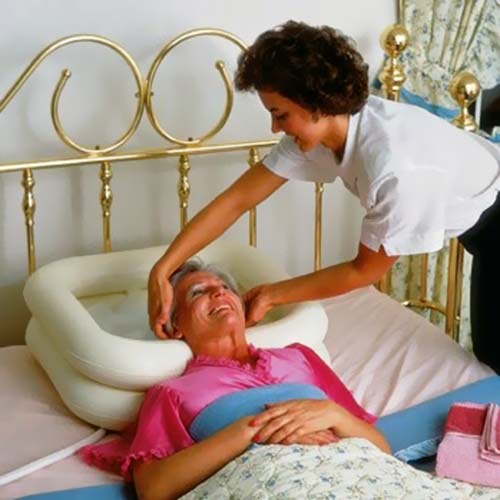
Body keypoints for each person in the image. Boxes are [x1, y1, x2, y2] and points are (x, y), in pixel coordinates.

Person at [148, 20, 500, 372]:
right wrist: (162, 270)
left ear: (314, 103)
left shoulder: (394, 168)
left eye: (280, 115)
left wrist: (272, 294)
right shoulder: (324, 130)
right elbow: (236, 200)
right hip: (484, 226)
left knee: (493, 357)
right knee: (490, 355)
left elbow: (363, 270)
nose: (275, 127)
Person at [81, 261, 389, 500]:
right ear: (175, 327)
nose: (218, 293)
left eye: (225, 287)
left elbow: (382, 449)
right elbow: (153, 489)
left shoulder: (300, 357)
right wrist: (250, 430)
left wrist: (333, 414)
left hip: (361, 478)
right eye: (197, 292)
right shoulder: (173, 393)